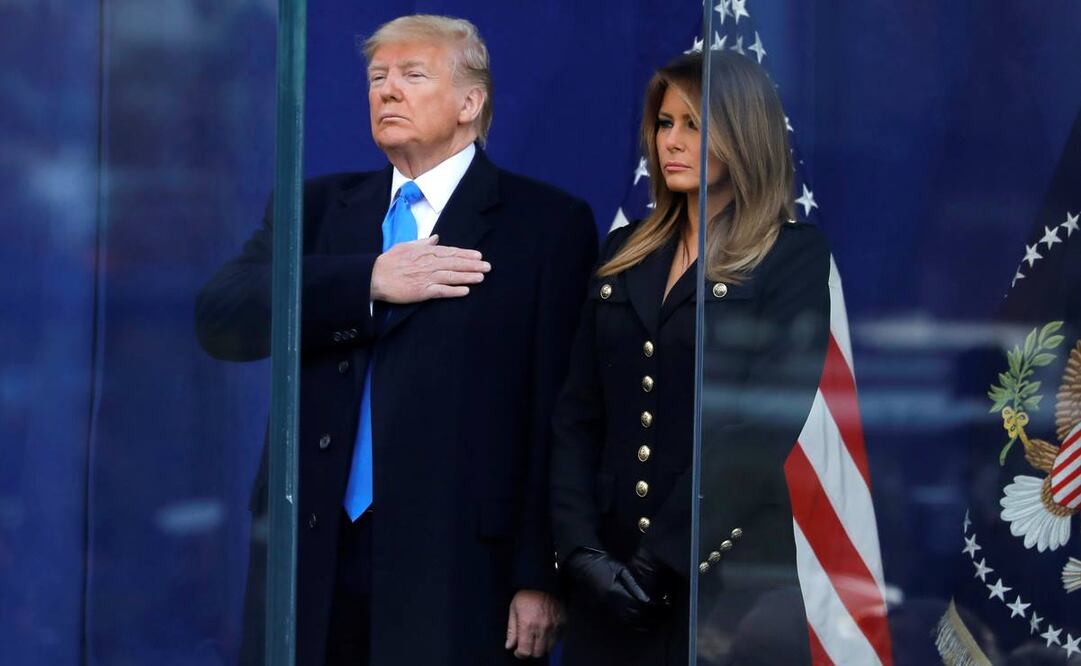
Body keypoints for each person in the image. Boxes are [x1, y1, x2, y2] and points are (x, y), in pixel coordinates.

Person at [195, 15, 597, 666]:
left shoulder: (545, 225)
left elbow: (559, 411)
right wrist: (368, 279)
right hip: (314, 553)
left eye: (413, 75)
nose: (387, 90)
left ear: (470, 102)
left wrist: (540, 575)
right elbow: (221, 318)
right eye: (377, 77)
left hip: (458, 564)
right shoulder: (316, 208)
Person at [550, 51, 831, 665]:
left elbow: (761, 424)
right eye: (664, 123)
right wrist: (580, 552)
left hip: (725, 579)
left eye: (694, 125)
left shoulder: (790, 256)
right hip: (607, 580)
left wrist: (663, 559)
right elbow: (577, 414)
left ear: (742, 134)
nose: (671, 141)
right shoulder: (623, 248)